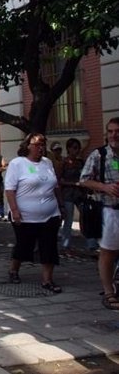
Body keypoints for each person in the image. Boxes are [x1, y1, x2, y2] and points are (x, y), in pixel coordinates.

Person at [5, 133, 64, 293]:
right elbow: (10, 190)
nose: (40, 147)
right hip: (25, 216)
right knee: (24, 245)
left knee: (49, 245)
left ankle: (47, 280)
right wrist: (15, 210)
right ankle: (13, 270)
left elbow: (55, 186)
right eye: (37, 144)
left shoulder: (47, 163)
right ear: (28, 145)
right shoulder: (18, 164)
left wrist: (61, 205)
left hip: (50, 214)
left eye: (43, 144)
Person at [80, 117, 119, 310]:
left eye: (117, 131)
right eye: (110, 131)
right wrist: (104, 187)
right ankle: (109, 291)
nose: (114, 135)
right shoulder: (100, 155)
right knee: (108, 252)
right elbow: (84, 180)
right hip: (110, 210)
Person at [58, 138, 88, 252]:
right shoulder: (64, 163)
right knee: (69, 219)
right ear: (69, 149)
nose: (76, 150)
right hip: (68, 194)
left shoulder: (81, 162)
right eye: (74, 148)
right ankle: (65, 243)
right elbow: (59, 180)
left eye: (78, 148)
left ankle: (90, 242)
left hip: (80, 194)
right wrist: (71, 183)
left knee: (85, 217)